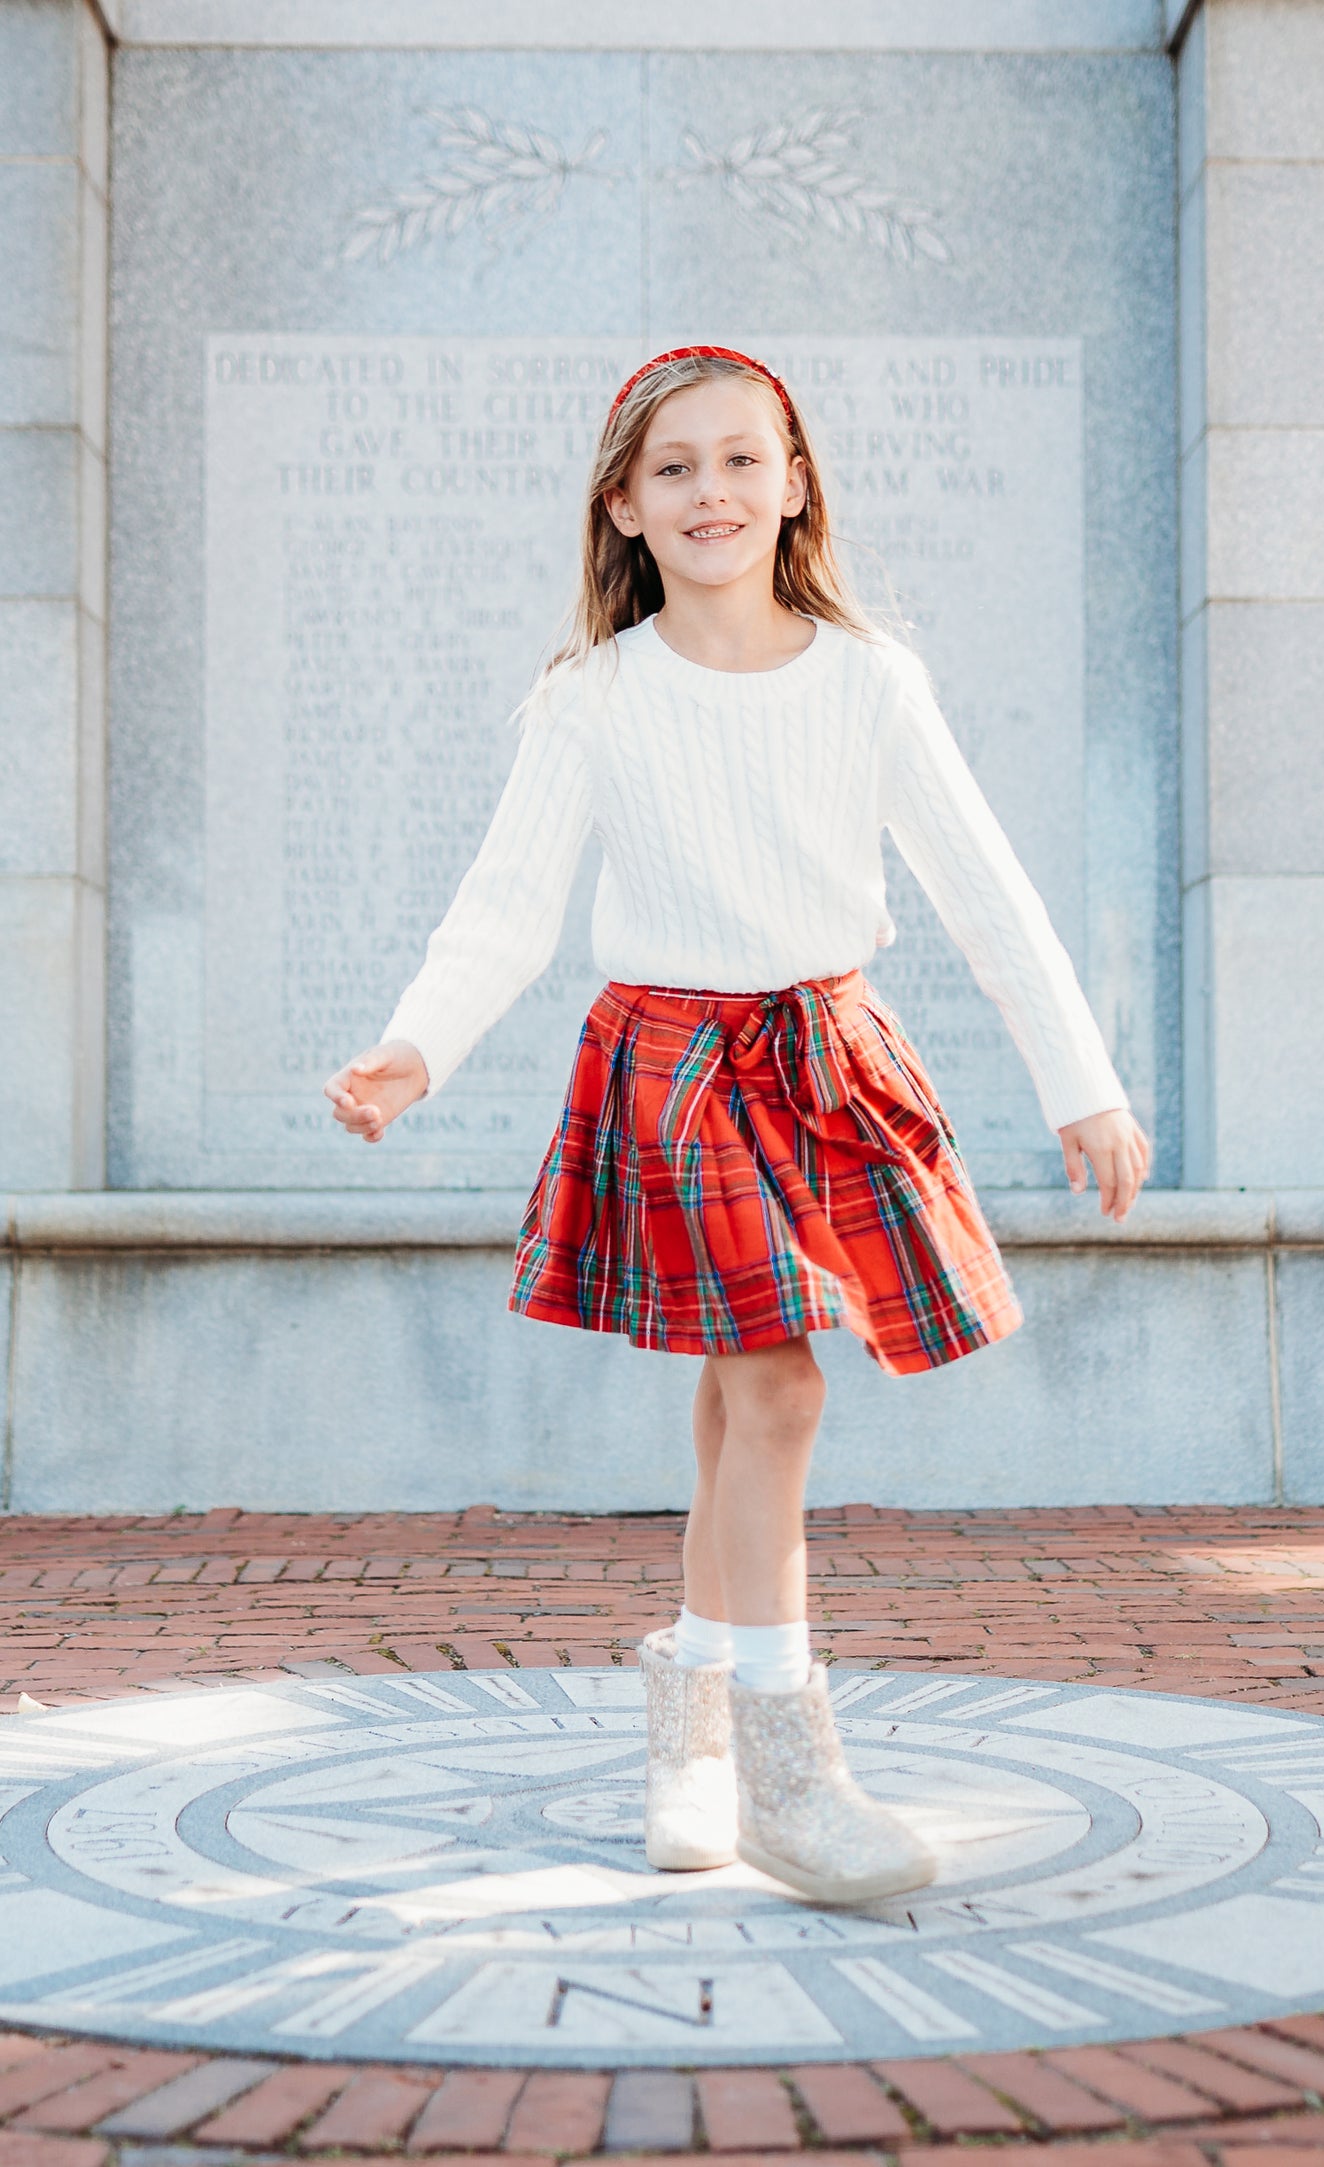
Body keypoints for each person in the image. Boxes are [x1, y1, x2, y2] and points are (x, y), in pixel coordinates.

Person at [324, 343, 1151, 1907]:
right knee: (776, 1389)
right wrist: (412, 1050)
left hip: (828, 1055)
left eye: (740, 459)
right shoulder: (592, 697)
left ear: (793, 486)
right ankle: (788, 1770)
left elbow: (984, 892)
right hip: (675, 1063)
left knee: (733, 1407)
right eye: (675, 467)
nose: (711, 489)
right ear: (624, 508)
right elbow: (505, 908)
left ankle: (688, 1733)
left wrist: (1081, 1082)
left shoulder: (869, 681)